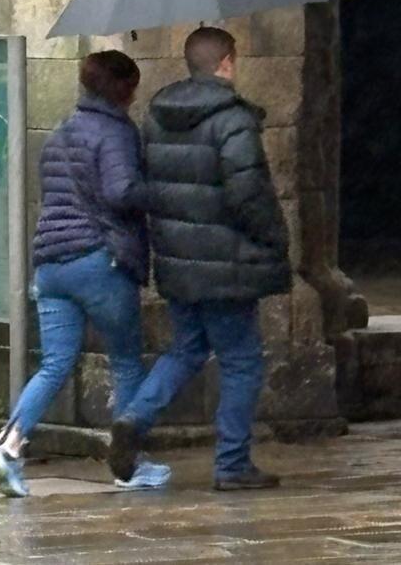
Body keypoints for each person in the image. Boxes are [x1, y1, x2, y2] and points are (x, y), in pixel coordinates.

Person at [108, 27, 290, 492]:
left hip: (177, 261)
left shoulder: (158, 116)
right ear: (226, 62)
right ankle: (231, 464)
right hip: (226, 262)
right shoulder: (233, 119)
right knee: (242, 360)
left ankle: (134, 416)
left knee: (187, 348)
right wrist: (274, 238)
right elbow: (248, 192)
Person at [0, 51, 171, 497]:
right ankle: (128, 465)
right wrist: (164, 193)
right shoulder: (117, 132)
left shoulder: (61, 133)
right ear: (124, 89)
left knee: (54, 363)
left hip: (51, 265)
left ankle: (8, 449)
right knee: (125, 361)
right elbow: (120, 190)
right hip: (98, 261)